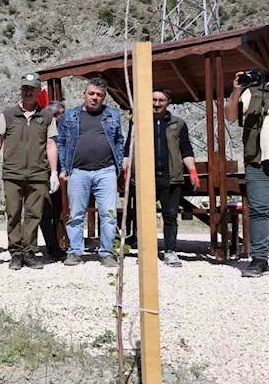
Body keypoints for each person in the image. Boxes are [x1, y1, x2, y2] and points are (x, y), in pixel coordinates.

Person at [0, 73, 60, 270]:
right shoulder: (8, 114)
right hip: (12, 173)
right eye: (25, 88)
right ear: (21, 89)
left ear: (38, 91)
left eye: (32, 88)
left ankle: (29, 252)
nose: (28, 91)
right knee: (13, 214)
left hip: (38, 174)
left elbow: (51, 144)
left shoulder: (46, 116)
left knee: (34, 214)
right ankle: (15, 253)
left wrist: (53, 172)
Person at [123, 88, 199, 267]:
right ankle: (147, 252)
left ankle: (171, 251)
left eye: (161, 100)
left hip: (170, 177)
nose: (156, 104)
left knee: (170, 216)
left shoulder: (178, 123)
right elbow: (129, 147)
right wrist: (125, 169)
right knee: (144, 216)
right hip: (144, 178)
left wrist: (193, 171)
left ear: (168, 102)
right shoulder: (138, 123)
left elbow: (186, 149)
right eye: (153, 100)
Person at [56, 77, 125, 268]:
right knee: (76, 213)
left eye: (99, 95)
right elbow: (61, 142)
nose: (95, 98)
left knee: (108, 214)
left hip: (106, 171)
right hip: (78, 172)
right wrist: (63, 168)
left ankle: (107, 252)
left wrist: (118, 165)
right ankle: (75, 251)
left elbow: (119, 140)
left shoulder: (112, 115)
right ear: (84, 94)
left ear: (104, 97)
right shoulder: (70, 116)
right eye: (91, 93)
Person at [226, 71, 269, 277]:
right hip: (257, 160)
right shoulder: (252, 90)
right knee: (259, 209)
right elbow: (231, 116)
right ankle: (260, 258)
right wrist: (236, 90)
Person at [39, 101, 67, 261]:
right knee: (44, 211)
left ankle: (57, 243)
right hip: (43, 173)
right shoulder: (43, 129)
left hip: (58, 174)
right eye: (60, 115)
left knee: (58, 210)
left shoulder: (60, 130)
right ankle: (52, 246)